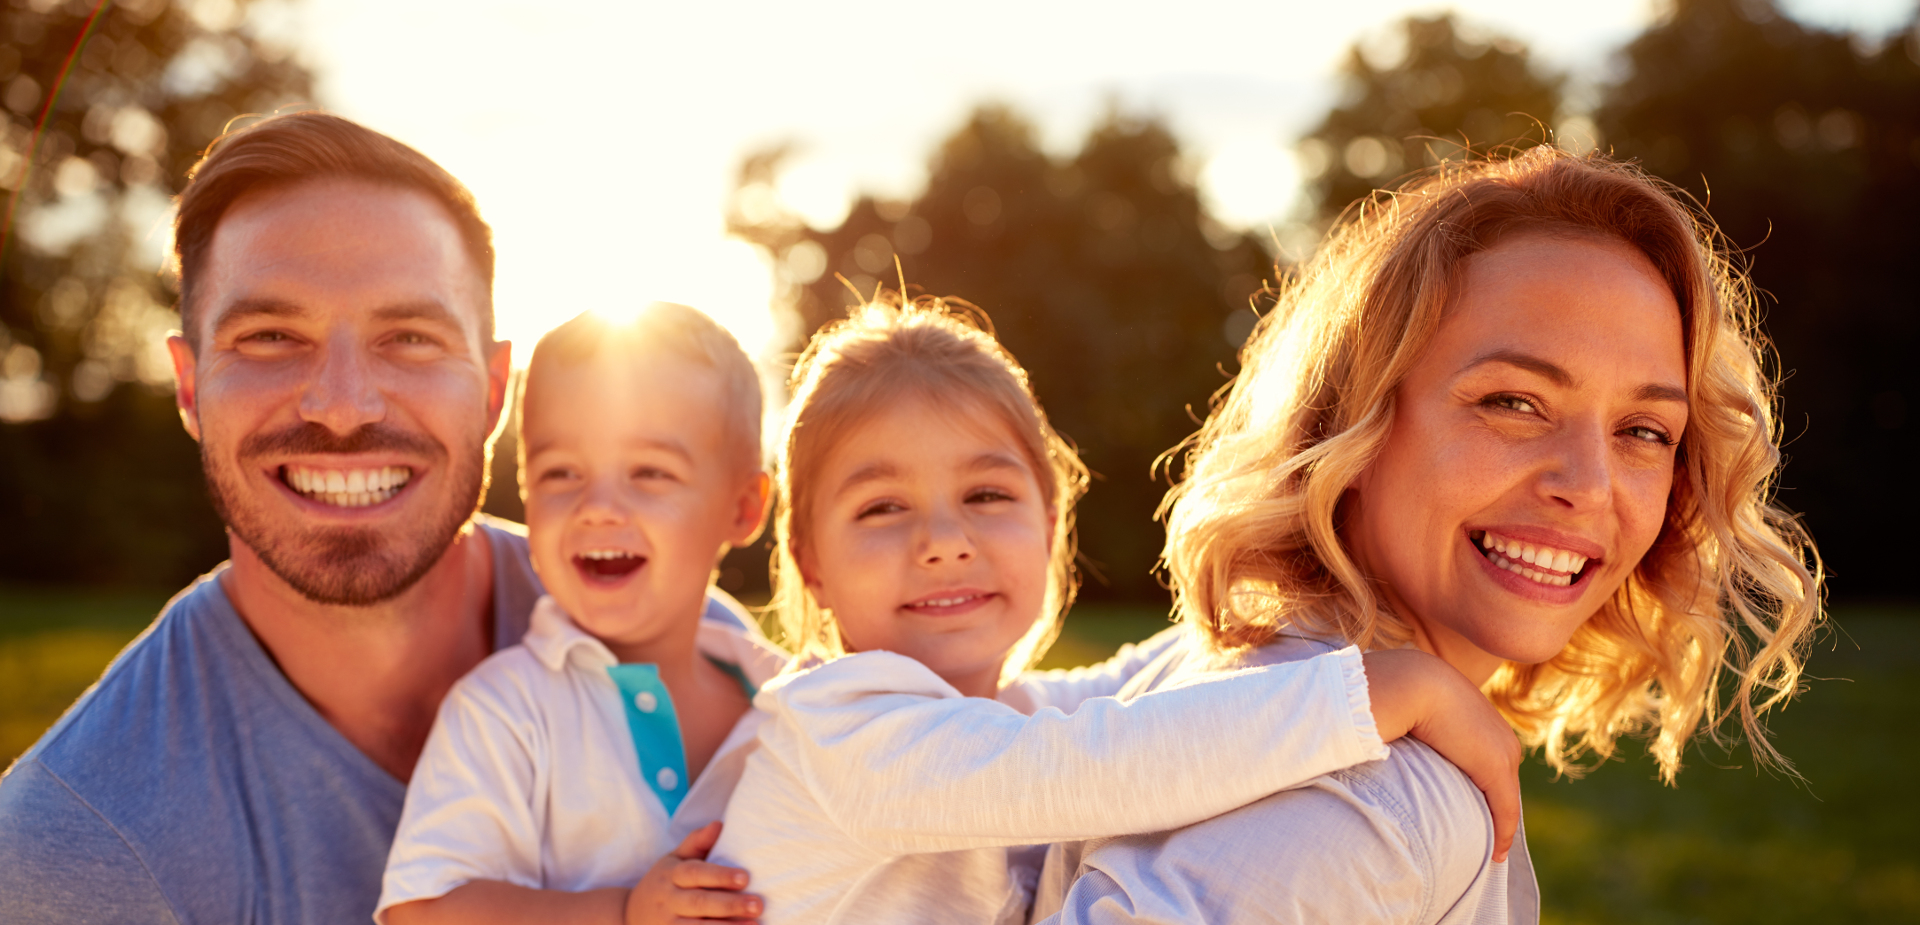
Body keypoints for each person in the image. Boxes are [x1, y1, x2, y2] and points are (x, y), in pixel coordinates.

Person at [1030, 147, 1825, 924]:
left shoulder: (1214, 678)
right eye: (1513, 402)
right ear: (1354, 423)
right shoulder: (1370, 810)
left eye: (1644, 430)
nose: (1587, 484)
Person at [0, 112, 750, 924]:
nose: (345, 407)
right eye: (271, 335)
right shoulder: (81, 849)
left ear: (496, 389)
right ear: (188, 385)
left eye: (410, 337)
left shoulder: (667, 623)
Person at [708, 297, 1526, 925]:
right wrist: (1376, 694)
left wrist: (1295, 575)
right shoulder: (836, 729)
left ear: (1053, 520)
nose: (944, 540)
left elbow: (1148, 673)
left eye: (986, 494)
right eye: (882, 508)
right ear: (809, 562)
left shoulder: (1000, 712)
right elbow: (1096, 760)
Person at [378, 305, 782, 925]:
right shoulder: (507, 710)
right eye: (561, 472)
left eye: (650, 472)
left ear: (743, 508)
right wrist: (622, 913)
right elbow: (422, 912)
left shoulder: (790, 702)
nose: (597, 507)